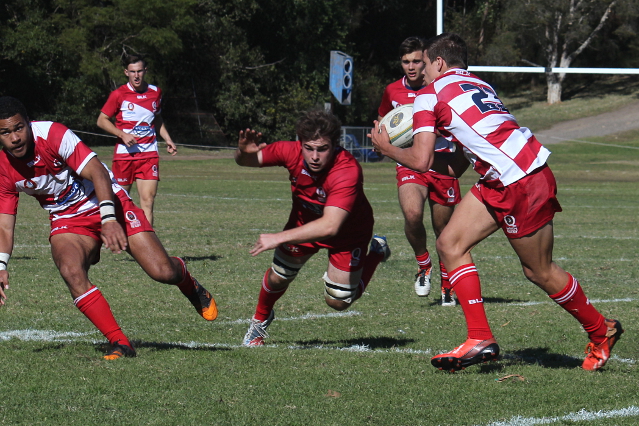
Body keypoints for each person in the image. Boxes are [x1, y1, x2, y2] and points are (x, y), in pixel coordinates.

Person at [370, 33, 622, 372]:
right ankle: (480, 338)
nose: (422, 72)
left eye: (426, 64)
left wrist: (386, 148)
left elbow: (420, 159)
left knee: (539, 270)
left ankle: (600, 329)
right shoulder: (477, 84)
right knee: (450, 243)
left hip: (518, 180)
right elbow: (457, 164)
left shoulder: (429, 94)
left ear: (439, 62)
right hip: (507, 174)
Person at [0, 96, 217, 360]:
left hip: (107, 200)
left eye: (19, 128)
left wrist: (108, 219)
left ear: (29, 124)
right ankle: (120, 343)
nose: (14, 138)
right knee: (70, 270)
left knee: (162, 272)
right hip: (68, 219)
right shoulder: (3, 167)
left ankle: (185, 278)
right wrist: (1, 265)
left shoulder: (53, 134)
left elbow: (98, 173)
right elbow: (5, 226)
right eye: (5, 132)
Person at [235, 110, 390, 347]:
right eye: (309, 148)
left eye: (323, 149)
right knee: (278, 277)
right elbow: (247, 160)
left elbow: (330, 225)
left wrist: (278, 238)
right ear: (300, 143)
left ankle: (376, 253)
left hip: (348, 234)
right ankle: (258, 324)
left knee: (339, 301)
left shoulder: (347, 170)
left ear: (336, 146)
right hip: (304, 223)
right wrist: (242, 153)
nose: (315, 156)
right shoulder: (289, 151)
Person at [378, 37, 463, 304]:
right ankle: (423, 264)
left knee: (444, 229)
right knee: (413, 213)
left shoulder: (442, 87)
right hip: (410, 163)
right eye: (406, 62)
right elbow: (383, 122)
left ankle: (447, 282)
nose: (412, 67)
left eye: (417, 61)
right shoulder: (392, 91)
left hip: (443, 163)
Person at [97, 54, 177, 226]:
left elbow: (157, 118)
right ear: (126, 72)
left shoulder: (156, 93)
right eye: (132, 71)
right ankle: (118, 237)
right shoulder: (118, 94)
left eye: (139, 71)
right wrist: (122, 134)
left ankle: (148, 245)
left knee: (148, 201)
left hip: (148, 155)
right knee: (119, 201)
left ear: (145, 71)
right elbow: (101, 120)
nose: (136, 75)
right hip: (124, 156)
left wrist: (168, 139)